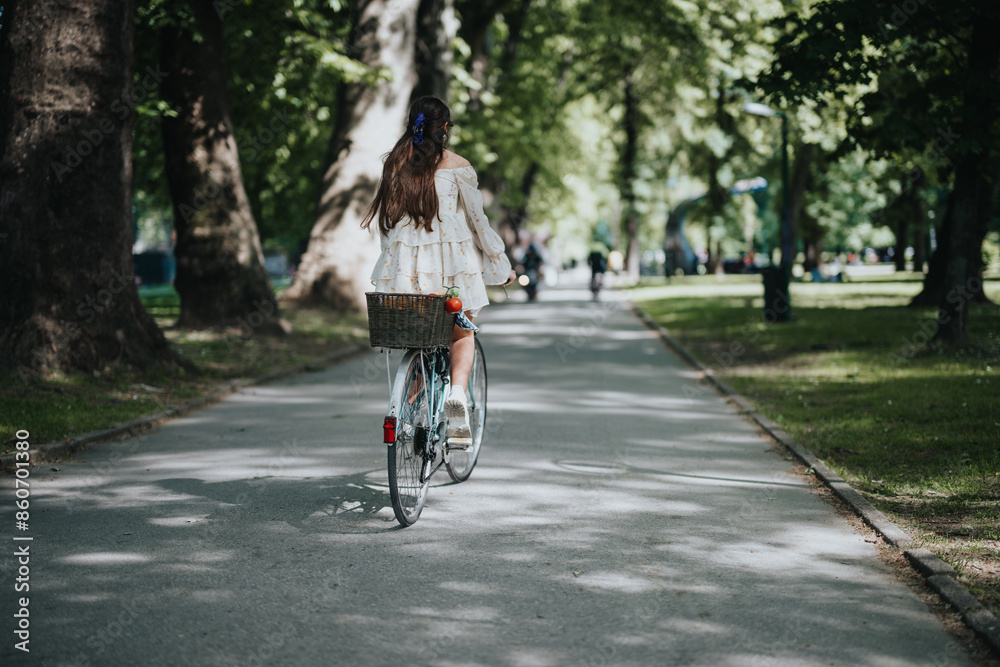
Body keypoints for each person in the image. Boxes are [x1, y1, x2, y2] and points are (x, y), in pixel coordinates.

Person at [362, 96, 515, 437]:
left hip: (404, 266)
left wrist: (391, 267)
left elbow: (387, 224)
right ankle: (457, 395)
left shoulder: (395, 163)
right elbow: (479, 223)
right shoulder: (458, 166)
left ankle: (404, 409)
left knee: (420, 334)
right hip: (452, 265)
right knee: (461, 331)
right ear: (444, 128)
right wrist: (500, 264)